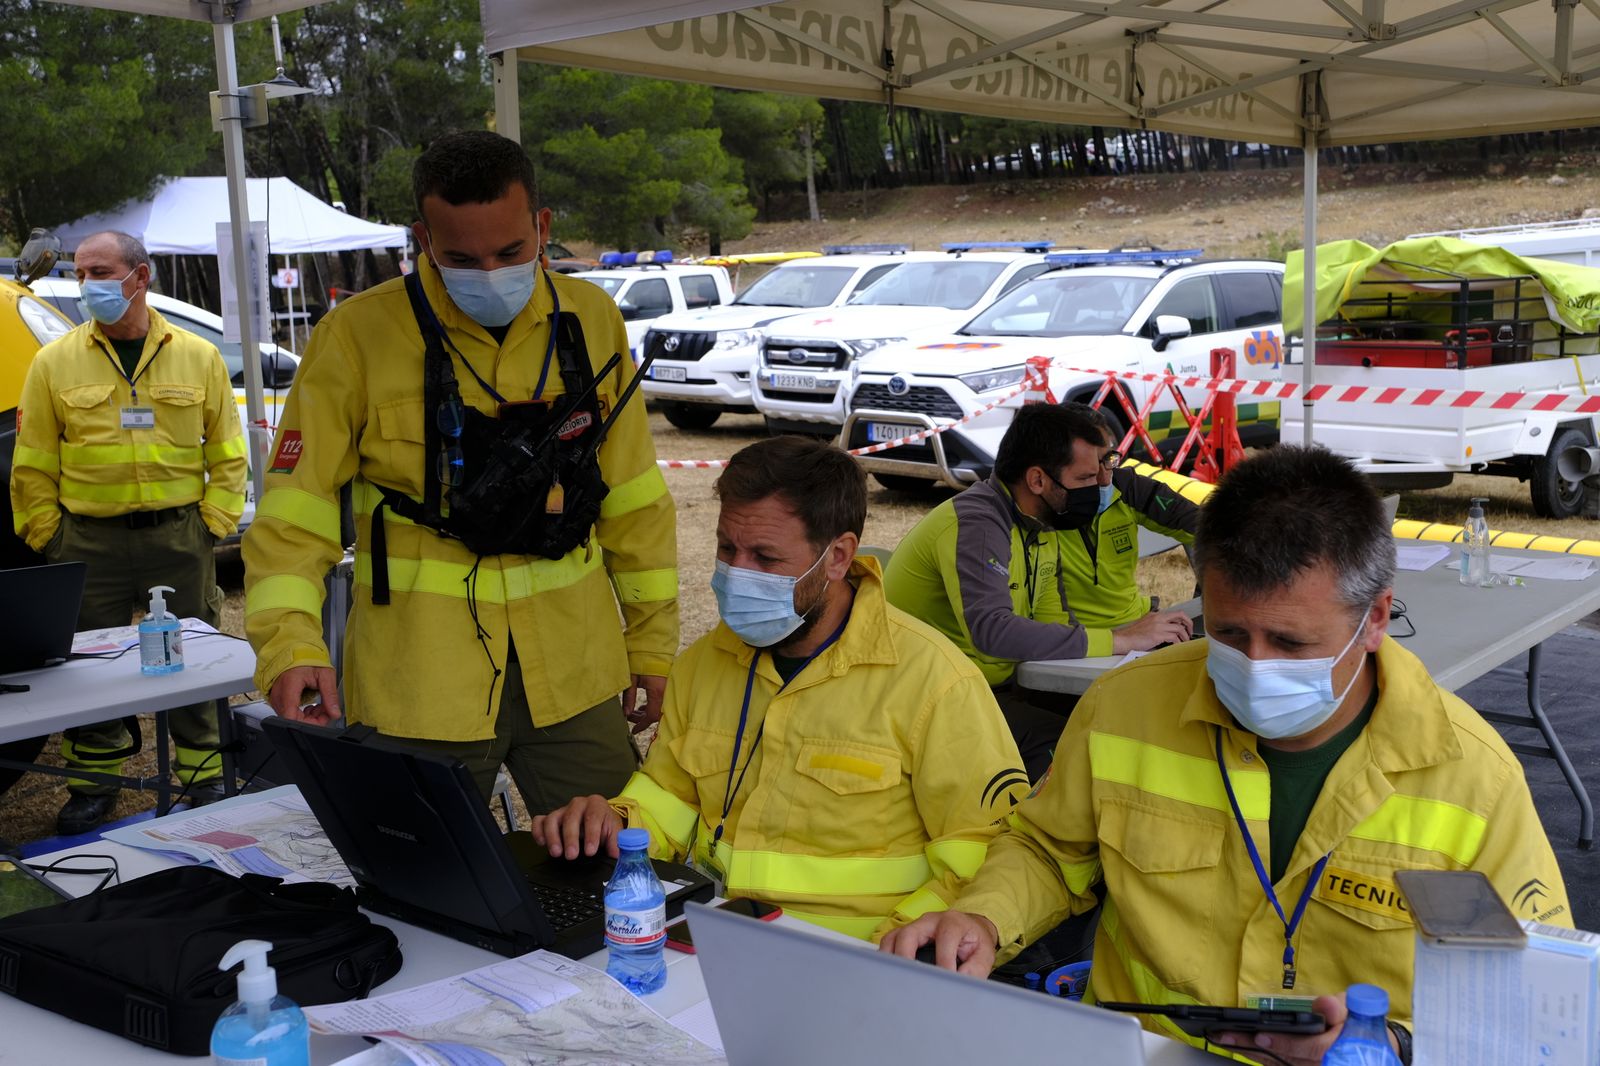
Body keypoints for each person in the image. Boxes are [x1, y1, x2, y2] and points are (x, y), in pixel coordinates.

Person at [883, 446, 1570, 1066]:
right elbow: (1049, 849)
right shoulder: (1126, 709)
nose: (1255, 665)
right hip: (1144, 1049)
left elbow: (1532, 1003)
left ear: (1378, 619)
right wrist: (984, 917)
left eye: (1291, 643)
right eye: (1230, 632)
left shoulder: (1471, 777)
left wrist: (1392, 1047)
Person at [242, 131, 677, 816]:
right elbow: (294, 516)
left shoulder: (590, 320)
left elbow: (635, 501)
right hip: (421, 683)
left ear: (542, 225)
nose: (489, 272)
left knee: (619, 868)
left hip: (575, 671)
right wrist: (291, 645)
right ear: (422, 237)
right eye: (459, 258)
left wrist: (652, 641)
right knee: (423, 886)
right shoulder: (355, 337)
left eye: (509, 252)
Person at [531, 437, 1028, 938]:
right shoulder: (704, 663)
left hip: (858, 962)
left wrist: (892, 951)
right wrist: (616, 822)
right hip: (709, 939)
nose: (736, 574)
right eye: (727, 548)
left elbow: (982, 859)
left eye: (765, 558)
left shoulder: (936, 682)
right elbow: (670, 796)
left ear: (837, 557)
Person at [10, 230, 246, 834]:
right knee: (83, 670)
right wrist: (51, 537)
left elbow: (227, 452)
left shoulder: (198, 355)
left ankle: (204, 775)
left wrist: (211, 525)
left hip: (178, 537)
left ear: (139, 278)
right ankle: (95, 784)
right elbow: (32, 463)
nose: (87, 284)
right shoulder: (54, 361)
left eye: (100, 271)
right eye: (82, 272)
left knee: (191, 657)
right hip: (87, 544)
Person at [884, 401, 1200, 779]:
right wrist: (1121, 639)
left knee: (1124, 723)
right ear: (1038, 480)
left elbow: (1055, 625)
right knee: (1078, 751)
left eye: (1105, 468)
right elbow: (993, 632)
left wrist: (1132, 654)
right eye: (1085, 478)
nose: (1103, 483)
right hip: (928, 698)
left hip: (991, 686)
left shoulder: (1042, 524)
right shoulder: (979, 523)